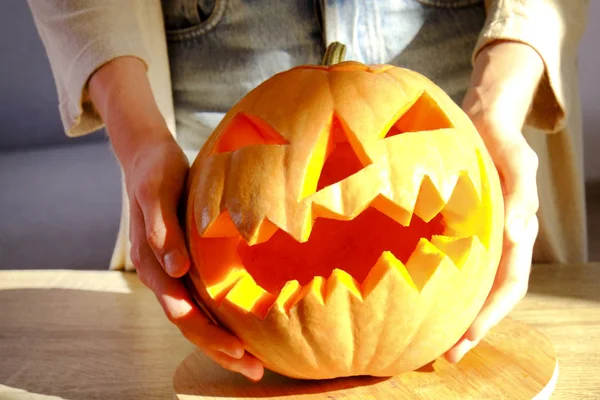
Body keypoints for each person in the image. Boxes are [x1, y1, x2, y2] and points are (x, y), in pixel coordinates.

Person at [28, 0, 590, 381]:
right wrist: (142, 136)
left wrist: (497, 106)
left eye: (404, 129)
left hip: (464, 55)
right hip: (201, 83)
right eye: (259, 142)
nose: (335, 176)